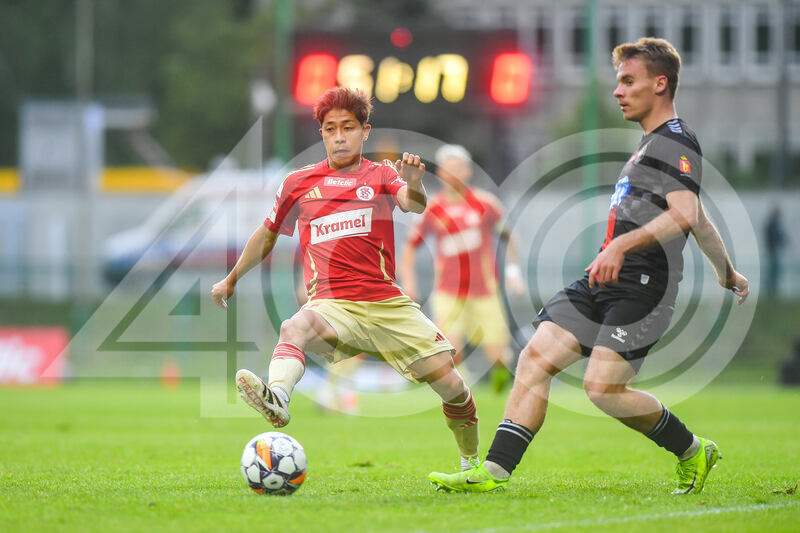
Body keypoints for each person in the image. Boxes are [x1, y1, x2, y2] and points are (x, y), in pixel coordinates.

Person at [429, 37, 750, 495]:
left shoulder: (676, 140)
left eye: (628, 81)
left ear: (660, 84)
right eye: (619, 82)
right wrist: (727, 272)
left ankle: (693, 450)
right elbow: (696, 216)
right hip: (603, 278)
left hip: (644, 286)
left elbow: (682, 214)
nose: (618, 91)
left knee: (603, 390)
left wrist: (623, 246)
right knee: (535, 358)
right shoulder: (649, 145)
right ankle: (493, 472)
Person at [211, 87, 480, 471]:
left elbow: (413, 204)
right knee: (293, 326)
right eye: (331, 128)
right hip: (332, 305)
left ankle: (472, 464)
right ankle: (279, 398)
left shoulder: (382, 173)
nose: (339, 136)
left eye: (348, 128)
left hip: (387, 304)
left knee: (452, 385)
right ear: (321, 133)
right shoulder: (297, 182)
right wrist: (232, 278)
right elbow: (267, 234)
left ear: (364, 132)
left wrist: (415, 183)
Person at [399, 144, 525, 393]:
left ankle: (500, 380)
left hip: (484, 291)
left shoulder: (485, 203)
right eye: (448, 169)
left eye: (458, 168)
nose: (453, 174)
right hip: (448, 291)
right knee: (450, 348)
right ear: (441, 173)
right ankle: (464, 393)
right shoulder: (431, 207)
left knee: (498, 356)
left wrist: (513, 273)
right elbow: (410, 247)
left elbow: (510, 237)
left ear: (468, 171)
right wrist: (409, 281)